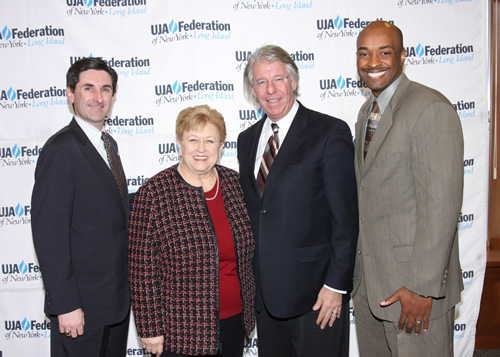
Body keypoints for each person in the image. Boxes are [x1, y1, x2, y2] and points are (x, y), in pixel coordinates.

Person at [237, 45, 358, 357]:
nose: (271, 89)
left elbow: (345, 219)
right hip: (266, 299)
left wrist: (336, 286)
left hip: (316, 297)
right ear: (253, 90)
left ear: (293, 81)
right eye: (262, 82)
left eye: (278, 78)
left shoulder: (329, 132)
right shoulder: (247, 140)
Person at [352, 21, 464, 356]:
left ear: (402, 56)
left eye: (384, 52)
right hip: (372, 287)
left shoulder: (430, 109)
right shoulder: (366, 111)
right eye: (364, 53)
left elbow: (441, 207)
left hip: (413, 292)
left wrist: (422, 288)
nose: (373, 62)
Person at [128, 105, 255, 357]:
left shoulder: (236, 185)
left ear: (221, 147)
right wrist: (150, 328)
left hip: (234, 321)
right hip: (180, 333)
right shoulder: (154, 194)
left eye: (210, 141)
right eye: (193, 140)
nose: (201, 149)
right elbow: (141, 270)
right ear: (179, 144)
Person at [31, 57, 130, 357]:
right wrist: (66, 304)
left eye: (106, 89)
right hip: (81, 311)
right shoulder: (61, 150)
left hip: (114, 306)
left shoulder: (108, 145)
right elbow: (50, 236)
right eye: (89, 88)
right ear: (70, 94)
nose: (98, 98)